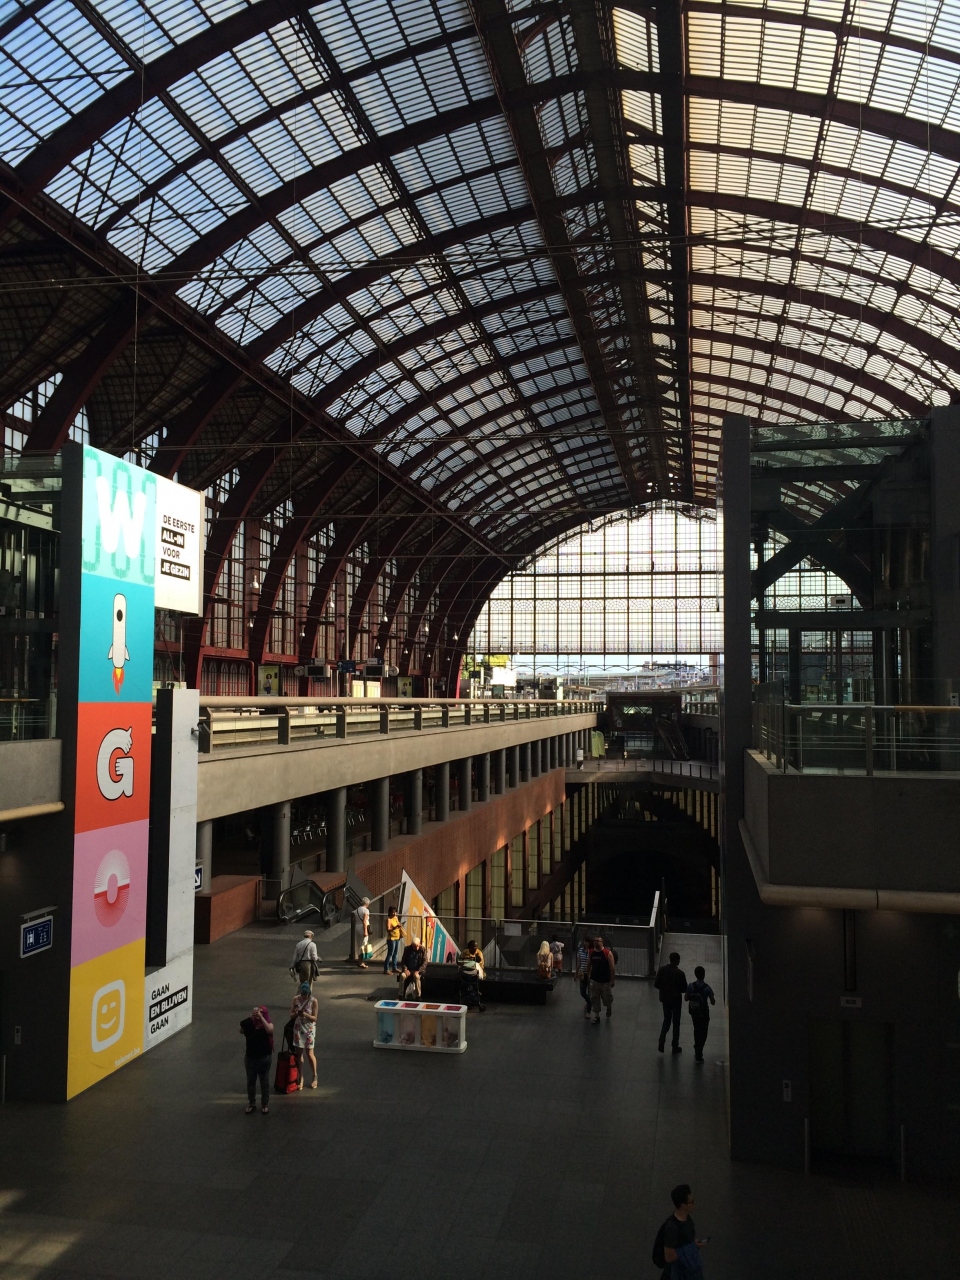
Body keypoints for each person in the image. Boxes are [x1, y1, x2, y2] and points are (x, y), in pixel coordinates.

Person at [660, 1184, 704, 1276]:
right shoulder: (672, 1227)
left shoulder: (687, 1219)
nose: (694, 1204)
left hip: (689, 1269)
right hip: (679, 1273)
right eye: (691, 1202)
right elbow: (669, 1257)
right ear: (683, 1205)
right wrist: (693, 1246)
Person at [239, 1005, 273, 1114]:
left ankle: (264, 1104)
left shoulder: (268, 1024)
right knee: (251, 1082)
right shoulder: (250, 1024)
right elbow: (241, 1030)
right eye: (257, 1012)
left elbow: (269, 1030)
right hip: (250, 1057)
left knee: (264, 1082)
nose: (258, 1014)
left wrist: (261, 1018)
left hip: (264, 1058)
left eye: (261, 1012)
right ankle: (251, 1103)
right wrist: (251, 1018)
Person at [655, 951, 688, 1054]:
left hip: (665, 999)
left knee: (667, 1020)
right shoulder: (680, 973)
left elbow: (656, 984)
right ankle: (675, 1045)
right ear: (677, 961)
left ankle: (661, 1040)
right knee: (676, 1023)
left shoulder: (662, 970)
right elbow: (684, 989)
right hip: (676, 1000)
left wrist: (664, 989)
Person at [685, 966, 716, 1063]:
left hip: (694, 1013)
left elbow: (686, 998)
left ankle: (696, 1046)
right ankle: (699, 1051)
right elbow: (713, 1002)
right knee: (704, 1032)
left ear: (695, 974)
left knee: (696, 1029)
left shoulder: (691, 986)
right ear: (704, 975)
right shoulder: (707, 988)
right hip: (704, 1013)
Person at [290, 982, 318, 1089]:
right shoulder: (295, 999)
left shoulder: (314, 1001)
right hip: (298, 1028)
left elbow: (315, 1018)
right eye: (302, 994)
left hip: (309, 1029)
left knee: (310, 1053)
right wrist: (296, 1013)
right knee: (299, 1053)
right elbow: (291, 1015)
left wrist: (305, 1014)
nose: (303, 997)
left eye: (305, 995)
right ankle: (300, 1077)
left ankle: (314, 1075)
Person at [587, 937, 615, 1023]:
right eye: (594, 941)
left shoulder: (607, 953)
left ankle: (608, 1007)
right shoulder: (591, 952)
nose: (595, 942)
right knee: (594, 998)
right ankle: (597, 1016)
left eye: (597, 941)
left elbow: (612, 967)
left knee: (607, 998)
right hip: (594, 980)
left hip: (605, 981)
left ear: (602, 942)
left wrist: (612, 980)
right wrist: (588, 976)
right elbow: (589, 964)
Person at [399, 934, 426, 998]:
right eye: (414, 947)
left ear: (419, 944)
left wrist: (419, 970)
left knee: (417, 977)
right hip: (408, 969)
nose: (416, 948)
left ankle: (418, 996)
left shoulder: (423, 949)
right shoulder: (407, 949)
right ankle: (400, 994)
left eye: (417, 946)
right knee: (402, 976)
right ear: (412, 945)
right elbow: (403, 961)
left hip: (417, 970)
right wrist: (405, 969)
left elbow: (425, 962)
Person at [575, 934, 594, 1017]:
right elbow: (579, 962)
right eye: (585, 941)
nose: (586, 943)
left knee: (590, 992)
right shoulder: (581, 950)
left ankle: (588, 1010)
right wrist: (576, 973)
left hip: (591, 974)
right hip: (582, 973)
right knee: (582, 992)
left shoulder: (592, 951)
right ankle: (589, 1002)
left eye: (587, 942)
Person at [383, 906, 403, 974]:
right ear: (390, 912)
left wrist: (399, 925)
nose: (394, 914)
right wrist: (395, 927)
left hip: (397, 937)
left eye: (395, 912)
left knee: (395, 953)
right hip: (391, 939)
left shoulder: (396, 918)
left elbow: (398, 924)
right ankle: (386, 969)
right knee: (390, 954)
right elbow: (388, 930)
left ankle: (394, 967)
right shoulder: (388, 920)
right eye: (393, 912)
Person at [354, 896, 371, 968]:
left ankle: (359, 960)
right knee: (363, 945)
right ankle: (361, 962)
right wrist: (365, 931)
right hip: (363, 928)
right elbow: (364, 921)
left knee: (359, 944)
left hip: (357, 927)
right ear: (367, 904)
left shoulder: (356, 910)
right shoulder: (366, 910)